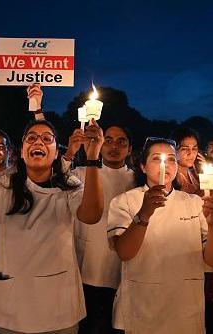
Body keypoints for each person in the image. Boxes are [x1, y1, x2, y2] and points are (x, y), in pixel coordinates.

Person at [0, 119, 105, 334]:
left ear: (55, 152)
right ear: (22, 152)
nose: (38, 142)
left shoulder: (70, 186)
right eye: (31, 138)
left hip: (58, 304)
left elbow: (91, 216)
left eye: (46, 139)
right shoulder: (2, 186)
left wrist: (92, 157)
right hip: (12, 305)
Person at [107, 137, 213, 333]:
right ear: (143, 166)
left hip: (184, 308)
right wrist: (143, 214)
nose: (166, 164)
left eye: (172, 159)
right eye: (157, 158)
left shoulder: (194, 202)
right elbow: (124, 253)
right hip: (142, 307)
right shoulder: (125, 202)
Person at [62, 124, 135, 334]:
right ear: (100, 144)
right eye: (109, 140)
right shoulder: (82, 173)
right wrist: (70, 152)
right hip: (86, 267)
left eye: (122, 141)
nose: (115, 146)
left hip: (122, 270)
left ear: (130, 149)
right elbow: (56, 177)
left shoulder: (137, 180)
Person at [172, 127, 204, 194]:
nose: (191, 153)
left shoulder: (195, 174)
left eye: (194, 148)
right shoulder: (170, 178)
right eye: (184, 149)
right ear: (174, 150)